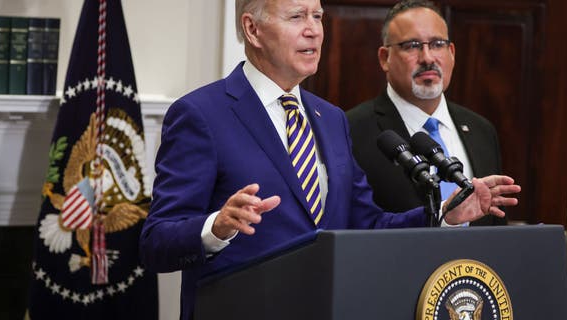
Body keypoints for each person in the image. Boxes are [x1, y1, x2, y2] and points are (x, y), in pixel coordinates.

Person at [140, 0, 520, 318]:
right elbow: (156, 241)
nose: (314, 30)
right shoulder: (201, 114)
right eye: (297, 17)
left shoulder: (330, 118)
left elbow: (366, 222)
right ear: (252, 30)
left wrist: (442, 213)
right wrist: (216, 227)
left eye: (318, 17)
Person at [346, 0, 507, 225]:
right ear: (385, 58)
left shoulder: (481, 130)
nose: (428, 58)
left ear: (451, 53)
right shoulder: (352, 131)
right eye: (412, 45)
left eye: (437, 44)